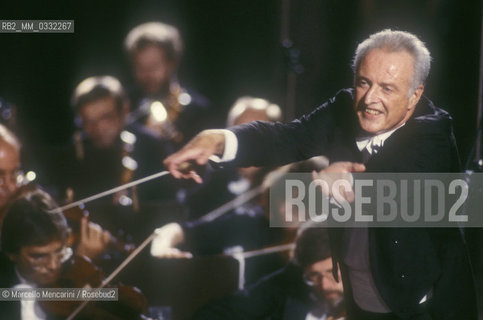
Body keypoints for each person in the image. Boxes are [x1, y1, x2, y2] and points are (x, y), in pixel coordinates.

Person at [164, 29, 477, 319]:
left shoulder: (434, 132)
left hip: (418, 305)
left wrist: (354, 185)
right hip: (356, 299)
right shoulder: (344, 108)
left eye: (387, 88)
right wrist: (221, 139)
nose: (370, 99)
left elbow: (416, 191)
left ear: (414, 96)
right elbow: (287, 138)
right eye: (364, 82)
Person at [192, 225, 345, 320]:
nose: (324, 285)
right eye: (314, 275)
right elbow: (227, 310)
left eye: (332, 272)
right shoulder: (292, 280)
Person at [124, 21, 213, 146]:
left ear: (173, 63)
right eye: (140, 67)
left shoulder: (197, 112)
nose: (147, 74)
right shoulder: (125, 108)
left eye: (154, 66)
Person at [0, 188, 72, 319]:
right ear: (12, 253)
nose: (53, 266)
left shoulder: (72, 277)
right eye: (39, 256)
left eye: (59, 251)